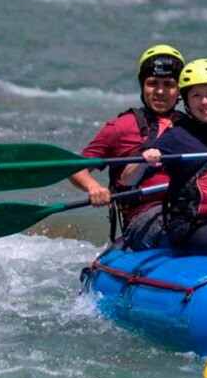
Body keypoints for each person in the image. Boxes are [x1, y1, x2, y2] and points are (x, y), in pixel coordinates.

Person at [121, 59, 207, 254]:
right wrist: (144, 160)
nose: (205, 102)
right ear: (186, 101)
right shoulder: (176, 137)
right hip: (193, 223)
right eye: (196, 95)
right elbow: (128, 180)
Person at [68, 44, 184, 243]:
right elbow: (76, 168)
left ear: (179, 88)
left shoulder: (191, 125)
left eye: (168, 84)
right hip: (145, 218)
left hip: (186, 209)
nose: (160, 91)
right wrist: (94, 187)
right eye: (152, 83)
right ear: (142, 85)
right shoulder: (121, 126)